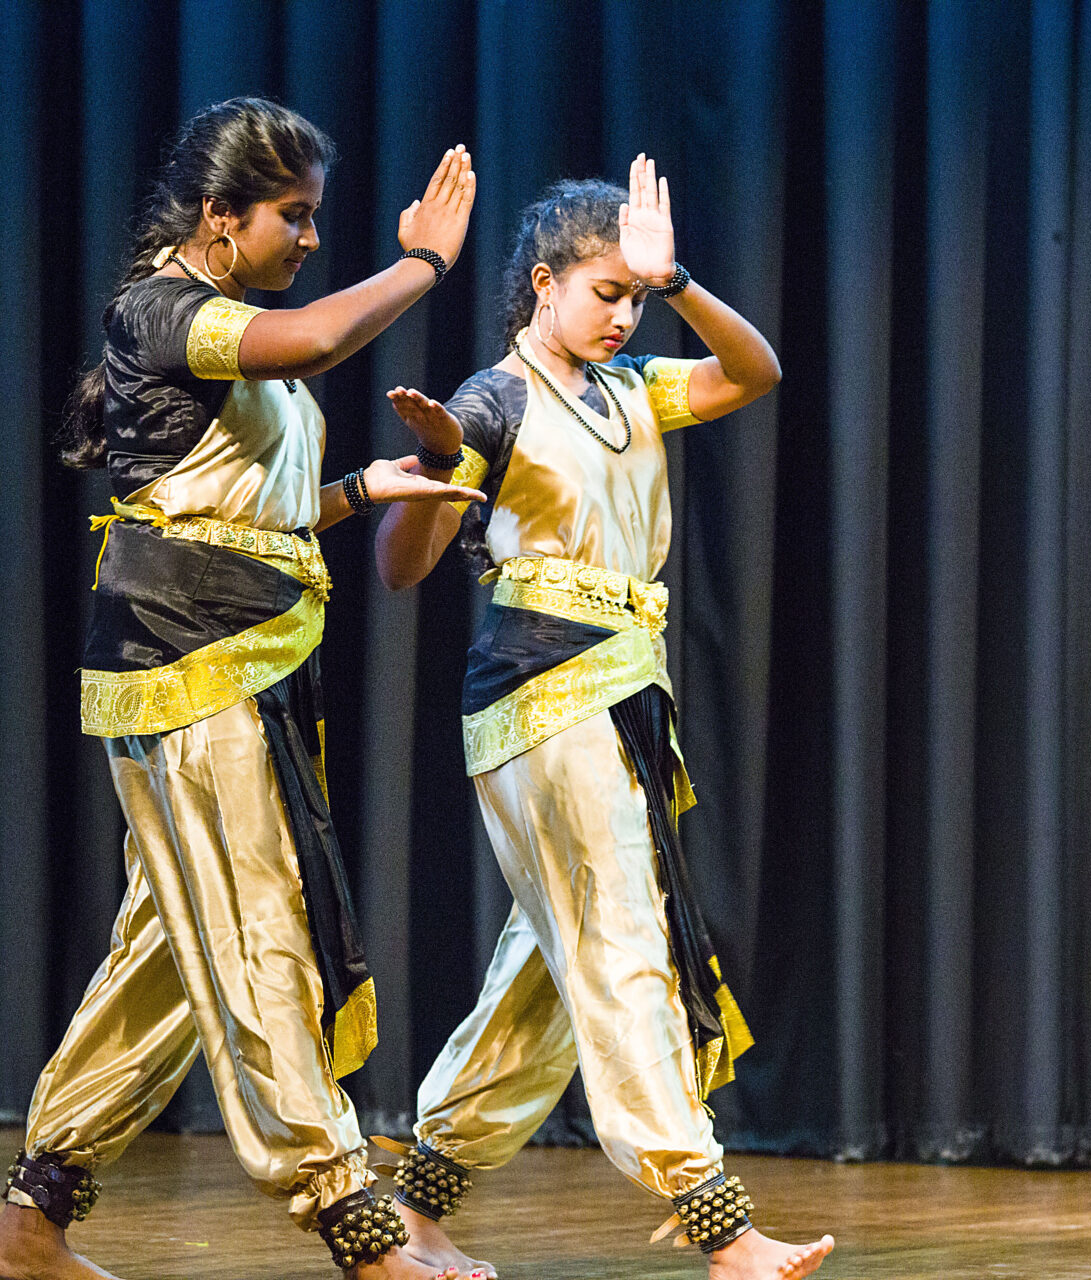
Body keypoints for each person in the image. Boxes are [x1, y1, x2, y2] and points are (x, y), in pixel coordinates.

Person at [0, 97, 482, 1280]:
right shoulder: (160, 310)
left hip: (238, 657)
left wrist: (366, 487)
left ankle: (31, 1219)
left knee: (165, 955)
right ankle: (353, 1224)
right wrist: (423, 263)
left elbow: (247, 505)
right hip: (187, 661)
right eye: (292, 216)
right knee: (261, 935)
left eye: (314, 216)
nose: (311, 237)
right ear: (218, 215)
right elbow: (315, 340)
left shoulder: (219, 324)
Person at [369, 157, 833, 1280]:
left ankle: (418, 1207)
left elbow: (756, 370)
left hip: (624, 694)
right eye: (607, 292)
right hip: (542, 696)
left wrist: (679, 284)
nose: (624, 316)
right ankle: (718, 1225)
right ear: (544, 284)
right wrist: (437, 464)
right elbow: (399, 567)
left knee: (545, 971)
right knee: (624, 943)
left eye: (635, 298)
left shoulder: (629, 391)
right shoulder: (494, 400)